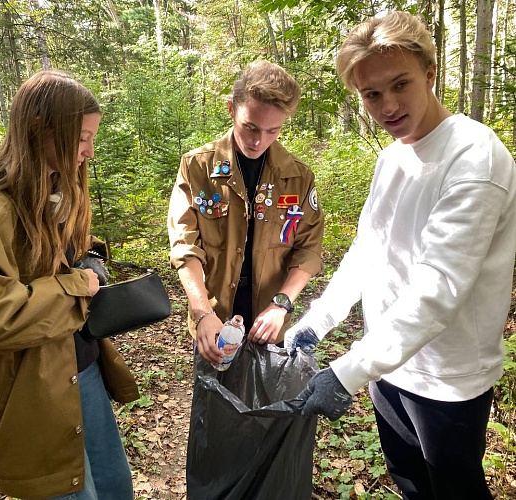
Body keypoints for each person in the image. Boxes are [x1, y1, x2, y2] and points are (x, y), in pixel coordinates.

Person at [286, 11, 516, 500]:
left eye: (400, 85)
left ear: (430, 74)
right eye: (371, 94)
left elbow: (438, 290)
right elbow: (369, 247)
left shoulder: (474, 157)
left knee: (455, 490)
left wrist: (346, 371)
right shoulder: (393, 156)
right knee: (410, 484)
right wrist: (318, 320)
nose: (387, 105)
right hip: (386, 365)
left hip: (447, 378)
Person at [0, 70, 139, 500]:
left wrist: (91, 258)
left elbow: (64, 250)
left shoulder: (54, 183)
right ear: (41, 129)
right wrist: (78, 285)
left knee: (116, 486)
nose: (90, 152)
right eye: (82, 137)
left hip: (80, 367)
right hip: (30, 391)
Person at [167, 58, 324, 363]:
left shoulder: (298, 177)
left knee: (268, 408)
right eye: (250, 127)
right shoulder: (198, 167)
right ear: (231, 109)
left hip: (271, 320)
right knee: (214, 405)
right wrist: (202, 312)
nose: (258, 141)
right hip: (213, 318)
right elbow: (185, 246)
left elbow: (308, 249)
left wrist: (282, 304)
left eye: (272, 131)